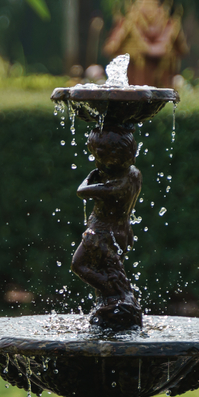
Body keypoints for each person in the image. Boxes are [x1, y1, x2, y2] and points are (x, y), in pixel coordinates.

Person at [71, 127, 143, 330]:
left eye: (99, 155)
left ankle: (113, 295)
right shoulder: (134, 175)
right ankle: (113, 304)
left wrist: (91, 175)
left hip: (102, 233)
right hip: (123, 232)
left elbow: (82, 191)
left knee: (79, 265)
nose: (97, 160)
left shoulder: (115, 186)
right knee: (112, 270)